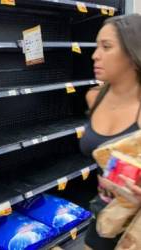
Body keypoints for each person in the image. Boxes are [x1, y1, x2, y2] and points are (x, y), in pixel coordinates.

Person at [79, 14, 141, 250]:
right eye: (96, 46)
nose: (95, 55)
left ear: (133, 55)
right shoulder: (94, 97)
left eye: (106, 47)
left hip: (136, 226)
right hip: (103, 212)